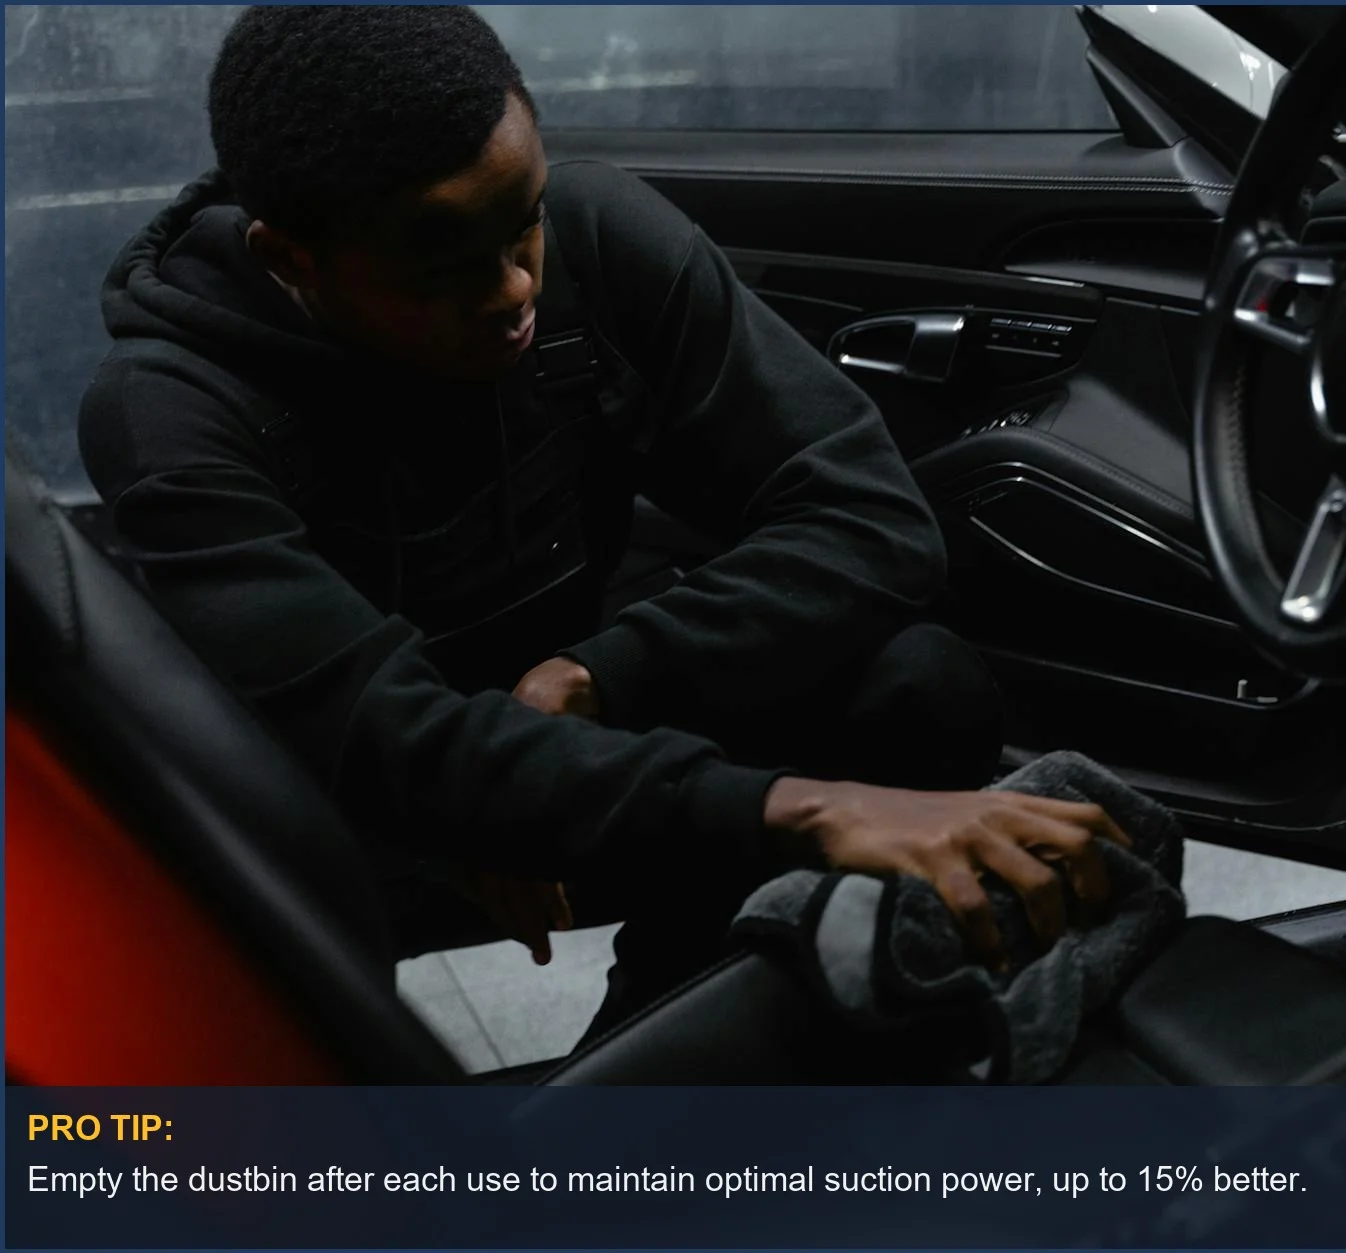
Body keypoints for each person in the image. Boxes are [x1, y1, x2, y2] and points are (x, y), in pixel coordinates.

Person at [78, 5, 1128, 1045]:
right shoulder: (170, 406)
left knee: (919, 680)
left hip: (567, 739)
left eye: (521, 220)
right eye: (443, 269)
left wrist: (595, 677)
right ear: (293, 261)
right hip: (356, 814)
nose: (516, 289)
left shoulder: (591, 230)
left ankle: (649, 1060)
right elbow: (381, 742)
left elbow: (873, 518)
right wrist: (808, 807)